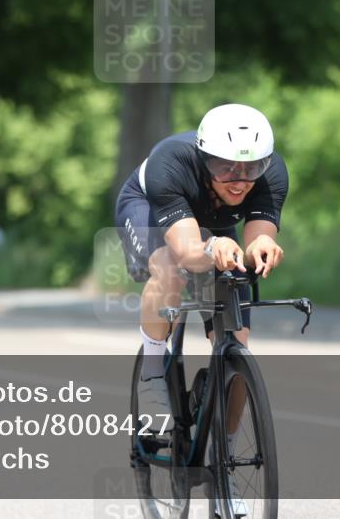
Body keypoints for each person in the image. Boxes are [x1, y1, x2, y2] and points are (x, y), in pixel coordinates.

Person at [115, 103, 288, 513]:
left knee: (239, 349)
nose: (240, 180)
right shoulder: (170, 164)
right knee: (171, 271)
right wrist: (211, 247)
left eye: (250, 169)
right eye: (226, 167)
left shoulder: (271, 173)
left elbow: (259, 233)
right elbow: (191, 252)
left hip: (214, 219)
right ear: (205, 155)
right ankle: (153, 374)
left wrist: (260, 245)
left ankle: (223, 463)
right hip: (151, 210)